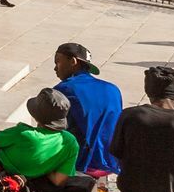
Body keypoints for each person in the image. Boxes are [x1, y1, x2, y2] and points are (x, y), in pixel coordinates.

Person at [53, 42, 124, 175]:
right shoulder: (113, 89)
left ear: (73, 61)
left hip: (83, 164)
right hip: (112, 163)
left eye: (58, 62)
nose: (55, 68)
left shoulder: (63, 89)